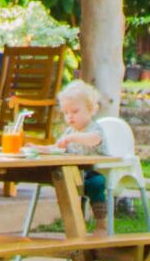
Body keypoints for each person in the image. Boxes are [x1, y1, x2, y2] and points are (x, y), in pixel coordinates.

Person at [48, 80, 113, 228]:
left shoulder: (94, 129)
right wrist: (40, 149)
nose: (70, 117)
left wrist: (71, 138)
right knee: (61, 182)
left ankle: (101, 223)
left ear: (91, 110)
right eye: (66, 113)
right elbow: (58, 147)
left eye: (75, 112)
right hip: (76, 172)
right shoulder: (70, 131)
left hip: (95, 171)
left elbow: (93, 140)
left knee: (95, 184)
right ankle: (74, 224)